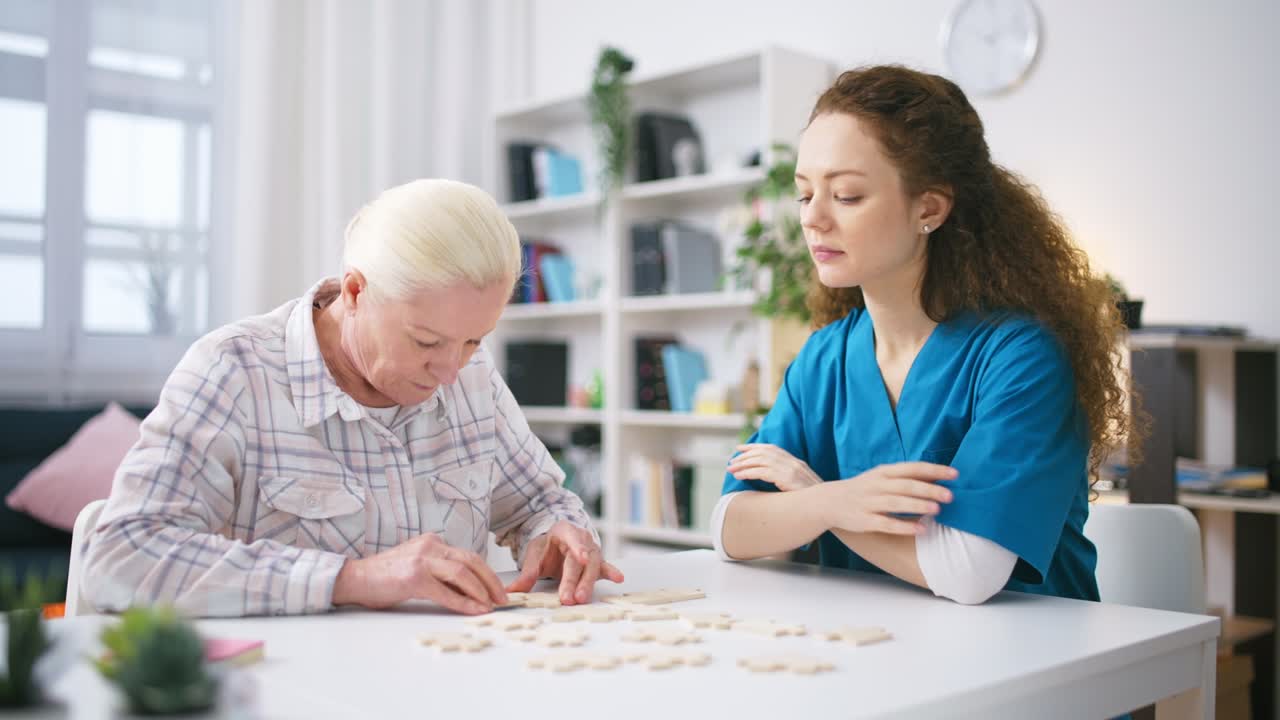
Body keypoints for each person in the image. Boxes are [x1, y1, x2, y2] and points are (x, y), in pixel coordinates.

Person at [84, 179, 622, 617]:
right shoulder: (234, 370)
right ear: (356, 292)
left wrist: (558, 534)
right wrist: (351, 579)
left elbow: (539, 504)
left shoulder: (470, 372)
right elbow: (120, 556)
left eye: (474, 340)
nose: (451, 371)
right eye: (426, 341)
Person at [713, 65, 1137, 605]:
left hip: (1029, 662)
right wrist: (834, 503)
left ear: (929, 208)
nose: (813, 219)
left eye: (845, 195)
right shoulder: (825, 357)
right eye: (803, 195)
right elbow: (730, 525)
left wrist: (812, 495)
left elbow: (969, 570)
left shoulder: (1021, 356)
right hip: (876, 651)